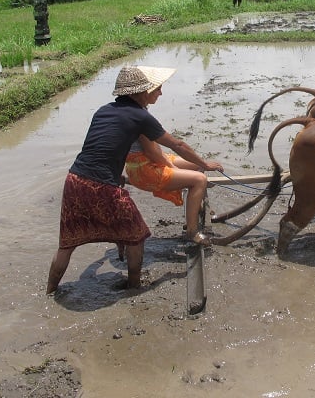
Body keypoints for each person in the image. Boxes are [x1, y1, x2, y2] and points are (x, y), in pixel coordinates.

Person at [46, 65, 223, 294]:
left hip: (75, 180)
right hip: (101, 187)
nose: (159, 93)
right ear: (140, 93)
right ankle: (134, 285)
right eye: (154, 89)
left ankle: (50, 291)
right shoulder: (140, 116)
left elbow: (103, 147)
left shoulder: (102, 111)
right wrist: (205, 165)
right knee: (137, 235)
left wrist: (117, 174)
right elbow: (176, 145)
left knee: (67, 243)